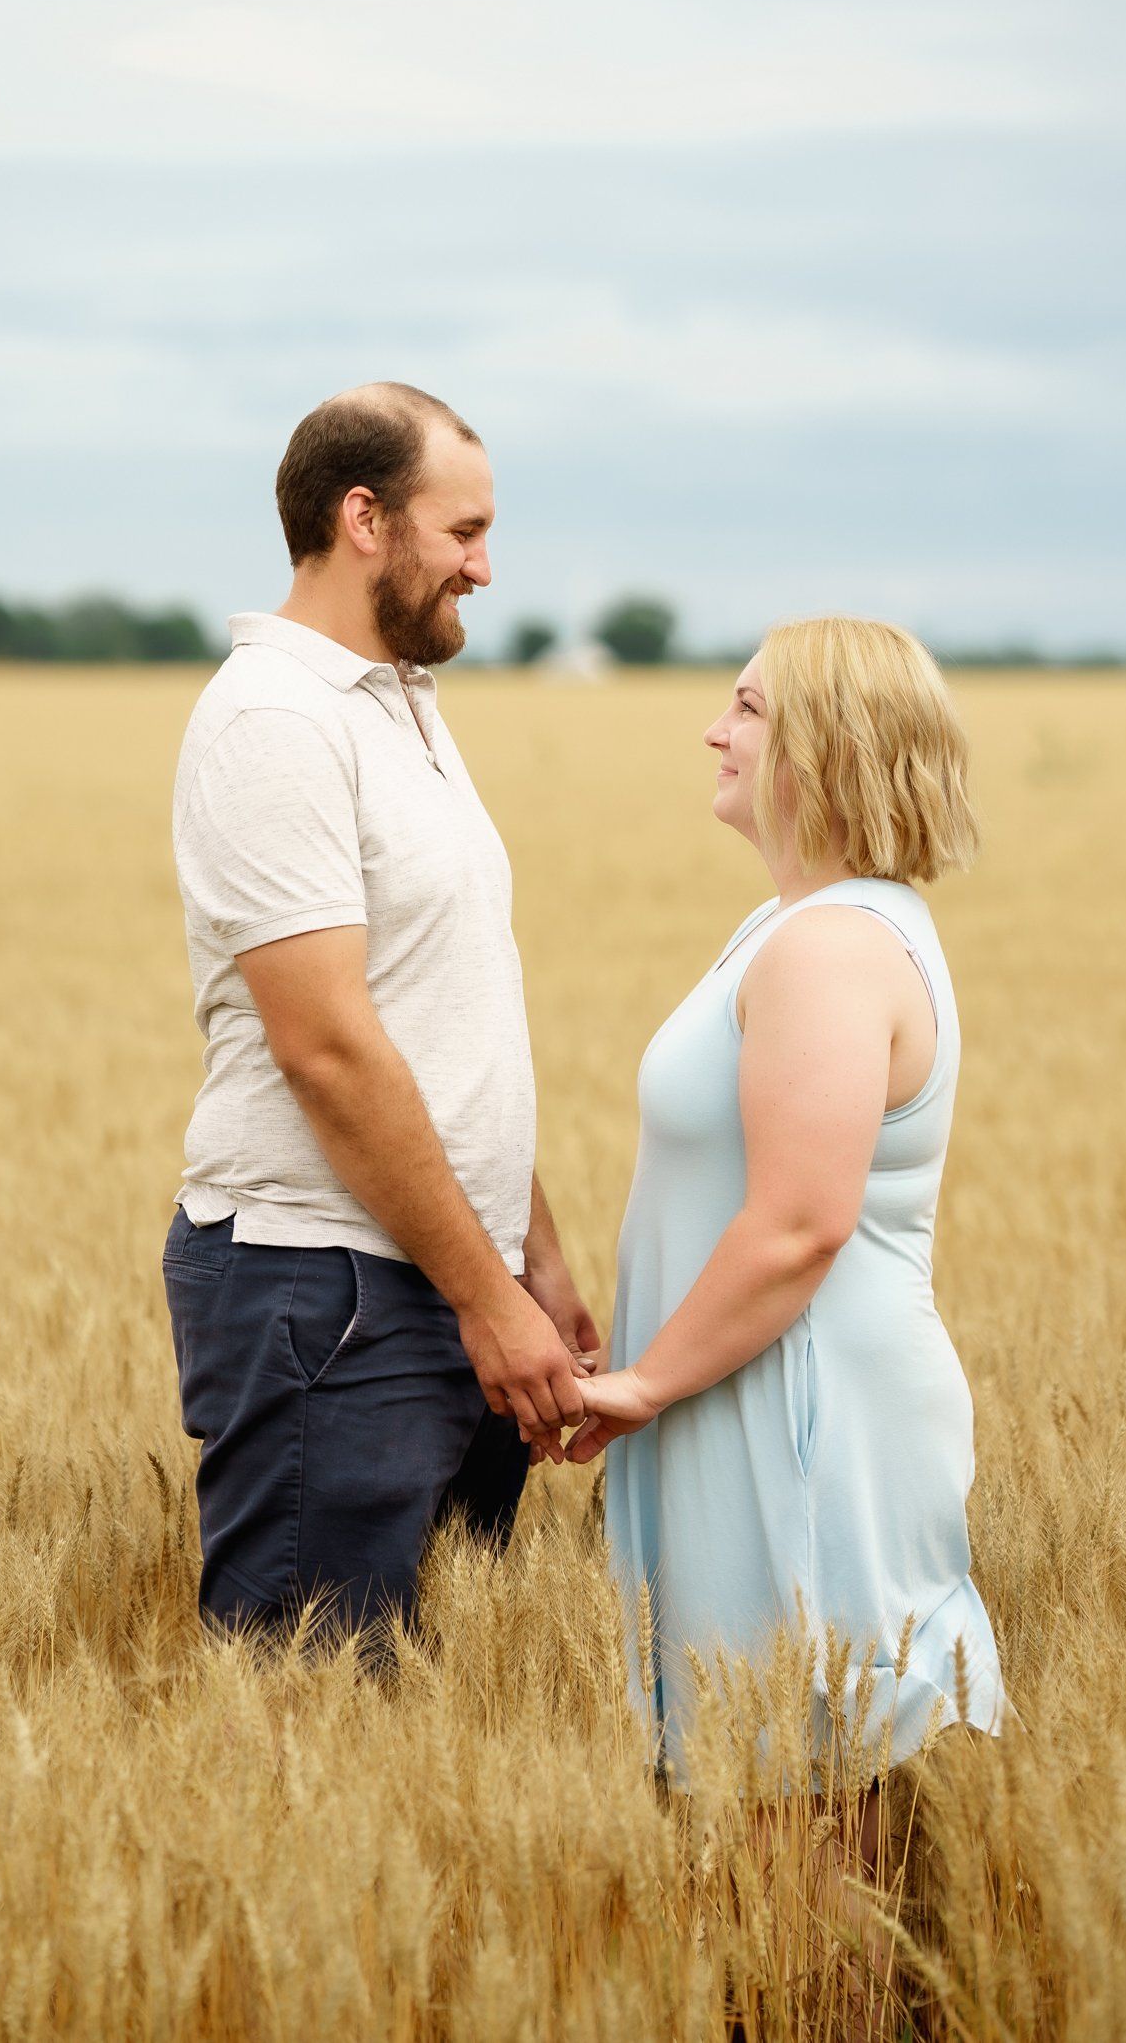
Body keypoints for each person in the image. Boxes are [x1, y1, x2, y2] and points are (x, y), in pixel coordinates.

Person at [162, 383, 598, 1640]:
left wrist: (536, 1257)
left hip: (443, 1268)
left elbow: (443, 1015)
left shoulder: (395, 703)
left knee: (423, 1714)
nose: (484, 564)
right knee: (315, 1712)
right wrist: (487, 1298)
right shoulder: (273, 721)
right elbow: (331, 1050)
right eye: (461, 531)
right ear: (365, 518)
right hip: (329, 1288)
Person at [565, 615, 1009, 1822]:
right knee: (762, 1771)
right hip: (749, 1377)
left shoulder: (828, 950)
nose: (715, 729)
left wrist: (646, 1384)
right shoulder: (794, 926)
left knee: (798, 1777)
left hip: (801, 1403)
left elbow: (799, 1224)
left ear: (829, 746)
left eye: (749, 710)